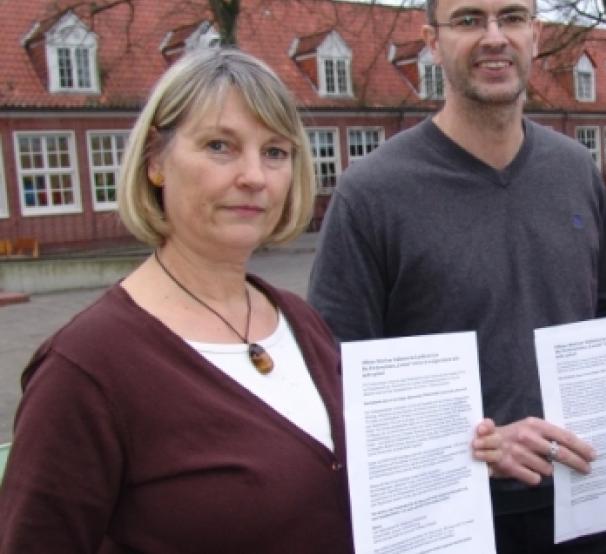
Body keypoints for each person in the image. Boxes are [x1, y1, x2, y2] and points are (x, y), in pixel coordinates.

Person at [0, 48, 503, 553]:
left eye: (275, 152)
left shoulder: (298, 321)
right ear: (156, 161)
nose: (255, 177)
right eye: (220, 146)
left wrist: (454, 450)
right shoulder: (87, 368)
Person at [307, 0, 606, 552]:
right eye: (469, 20)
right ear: (431, 40)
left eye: (511, 17)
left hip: (589, 500)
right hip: (448, 519)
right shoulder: (371, 193)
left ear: (535, 35)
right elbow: (336, 374)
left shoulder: (574, 170)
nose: (494, 37)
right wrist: (480, 444)